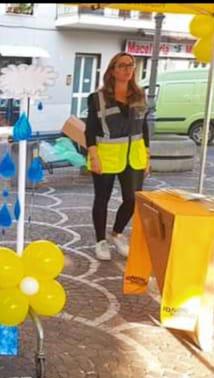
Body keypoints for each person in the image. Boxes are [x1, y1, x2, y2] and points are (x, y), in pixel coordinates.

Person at [85, 52, 150, 261]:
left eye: (131, 65)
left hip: (134, 156)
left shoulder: (140, 95)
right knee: (102, 199)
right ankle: (100, 241)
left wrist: (147, 155)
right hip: (106, 155)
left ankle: (117, 233)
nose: (127, 69)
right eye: (122, 65)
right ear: (112, 70)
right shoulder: (97, 98)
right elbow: (90, 129)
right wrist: (93, 156)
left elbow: (144, 127)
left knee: (132, 199)